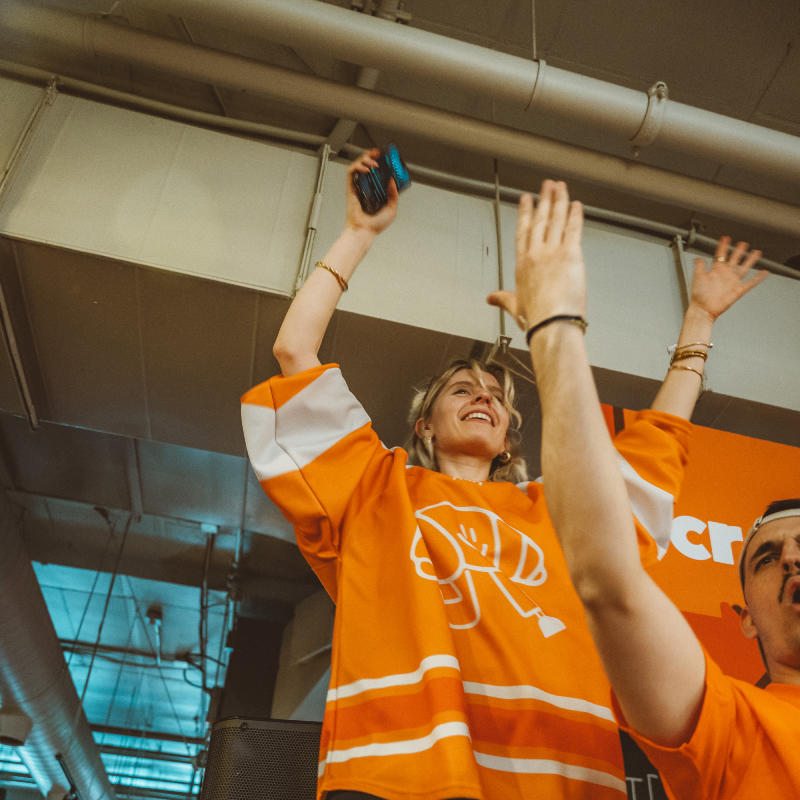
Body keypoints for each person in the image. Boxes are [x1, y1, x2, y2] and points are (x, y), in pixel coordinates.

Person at [240, 151, 765, 800]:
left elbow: (658, 446)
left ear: (510, 435)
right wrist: (359, 233)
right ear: (425, 425)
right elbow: (295, 351)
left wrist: (699, 323)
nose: (482, 397)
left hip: (557, 782)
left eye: (495, 395)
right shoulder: (376, 487)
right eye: (461, 389)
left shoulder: (559, 514)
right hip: (393, 781)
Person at [510, 181, 799, 800]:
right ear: (744, 622)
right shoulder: (728, 729)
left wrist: (700, 321)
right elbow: (608, 578)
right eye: (767, 559)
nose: (794, 559)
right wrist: (555, 327)